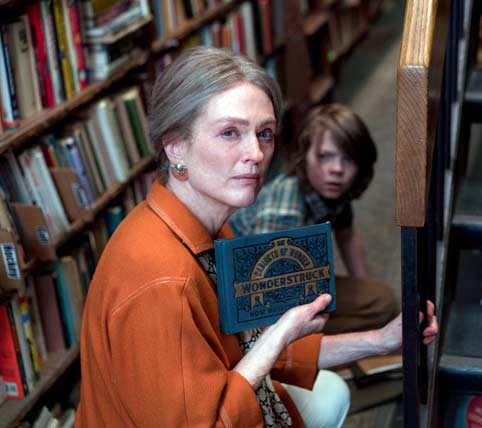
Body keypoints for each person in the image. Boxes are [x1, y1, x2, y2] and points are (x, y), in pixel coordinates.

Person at [77, 47, 438, 428]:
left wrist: (380, 340)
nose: (256, 153)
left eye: (264, 133)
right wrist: (278, 335)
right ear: (175, 145)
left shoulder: (206, 226)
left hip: (225, 398)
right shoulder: (164, 280)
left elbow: (249, 345)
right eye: (229, 133)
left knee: (332, 391)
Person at [228, 103, 398, 335]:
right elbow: (269, 295)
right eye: (325, 156)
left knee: (380, 302)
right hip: (251, 300)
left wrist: (364, 286)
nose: (337, 169)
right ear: (303, 156)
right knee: (378, 307)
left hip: (299, 281)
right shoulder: (284, 210)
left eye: (349, 159)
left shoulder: (333, 191)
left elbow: (347, 237)